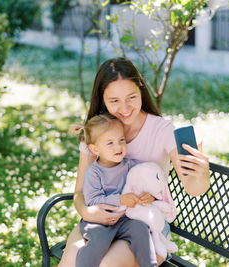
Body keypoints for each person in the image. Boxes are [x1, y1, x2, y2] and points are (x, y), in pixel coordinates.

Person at [59, 57, 210, 267]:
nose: (125, 108)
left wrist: (201, 173)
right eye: (114, 101)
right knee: (69, 263)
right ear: (102, 100)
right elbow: (80, 192)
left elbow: (193, 188)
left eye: (131, 97)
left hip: (146, 226)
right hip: (102, 222)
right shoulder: (97, 131)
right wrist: (87, 211)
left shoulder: (162, 130)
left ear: (141, 90)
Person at [76, 113, 157, 267]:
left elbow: (144, 185)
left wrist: (149, 196)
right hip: (99, 221)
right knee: (99, 242)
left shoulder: (131, 165)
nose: (118, 146)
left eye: (121, 140)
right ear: (95, 149)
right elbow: (92, 200)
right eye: (110, 143)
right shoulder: (94, 173)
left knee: (140, 229)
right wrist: (119, 199)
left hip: (125, 220)